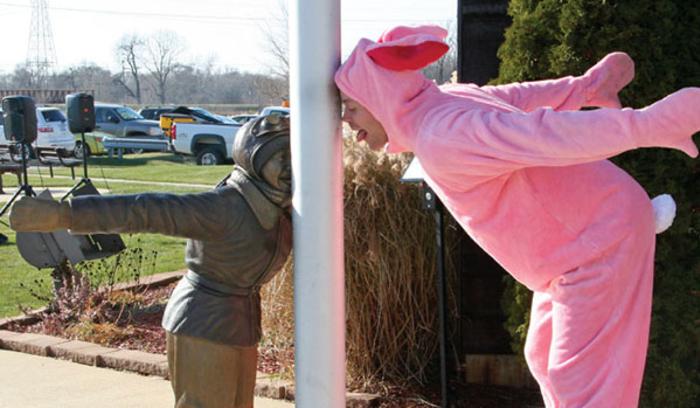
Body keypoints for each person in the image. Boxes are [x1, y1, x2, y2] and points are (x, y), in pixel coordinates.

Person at [336, 25, 699, 407]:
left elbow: (541, 133)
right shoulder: (444, 103)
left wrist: (647, 124)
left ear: (381, 99)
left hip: (598, 244)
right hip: (573, 250)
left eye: (352, 106)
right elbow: (520, 96)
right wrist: (584, 88)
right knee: (542, 359)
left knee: (582, 385)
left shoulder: (442, 137)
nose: (346, 119)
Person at [9, 114, 293, 408]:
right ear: (254, 160)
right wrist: (65, 214)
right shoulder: (224, 208)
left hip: (240, 320)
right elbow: (146, 210)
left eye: (293, 156)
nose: (289, 167)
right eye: (279, 156)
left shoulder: (278, 208)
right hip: (203, 322)